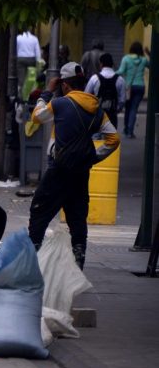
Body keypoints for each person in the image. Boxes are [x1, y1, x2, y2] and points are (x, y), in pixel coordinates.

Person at [28, 62, 120, 269]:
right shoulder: (96, 109)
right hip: (81, 170)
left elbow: (37, 116)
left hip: (58, 169)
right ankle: (79, 258)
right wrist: (92, 158)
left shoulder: (60, 104)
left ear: (65, 85)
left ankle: (32, 257)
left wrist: (46, 92)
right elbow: (113, 139)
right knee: (77, 215)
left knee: (40, 210)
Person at [118, 42, 150, 138]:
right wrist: (148, 54)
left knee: (127, 108)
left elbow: (121, 71)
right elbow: (153, 66)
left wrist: (110, 73)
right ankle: (130, 131)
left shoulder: (126, 59)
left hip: (129, 88)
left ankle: (126, 129)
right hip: (140, 87)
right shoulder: (143, 60)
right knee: (133, 109)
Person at [84, 52, 125, 128]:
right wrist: (117, 110)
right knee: (111, 138)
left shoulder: (94, 78)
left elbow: (86, 95)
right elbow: (122, 100)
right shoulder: (120, 79)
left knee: (96, 137)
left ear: (101, 64)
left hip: (97, 115)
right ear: (112, 64)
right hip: (112, 117)